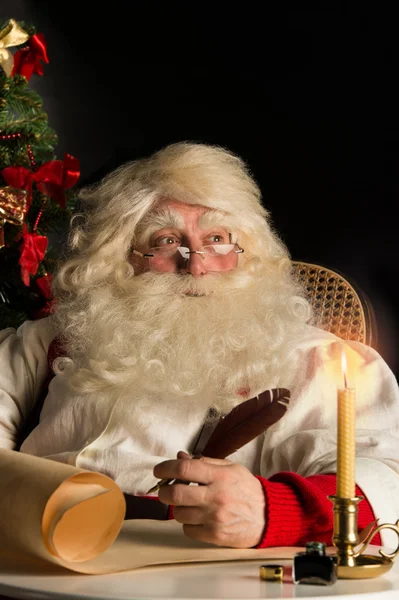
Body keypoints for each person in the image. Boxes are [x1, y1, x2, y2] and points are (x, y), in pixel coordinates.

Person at [1, 141, 399, 550]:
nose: (196, 264)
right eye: (167, 240)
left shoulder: (314, 360)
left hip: (185, 573)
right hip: (24, 553)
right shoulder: (54, 340)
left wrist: (274, 510)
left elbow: (385, 479)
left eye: (217, 237)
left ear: (247, 249)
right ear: (122, 255)